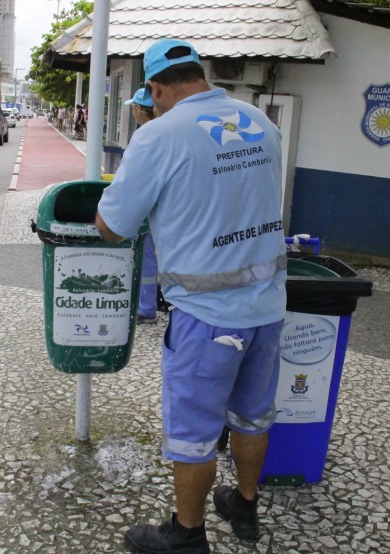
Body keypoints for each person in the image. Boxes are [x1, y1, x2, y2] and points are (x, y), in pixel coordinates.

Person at [96, 39, 287, 553]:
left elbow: (112, 226)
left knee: (194, 433)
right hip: (268, 306)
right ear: (199, 75)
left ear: (156, 88)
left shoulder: (159, 135)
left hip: (207, 316)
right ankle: (244, 507)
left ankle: (186, 534)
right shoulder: (261, 123)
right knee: (253, 414)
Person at [124, 88, 160, 323]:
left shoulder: (146, 136)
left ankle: (146, 308)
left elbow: (132, 179)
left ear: (138, 109)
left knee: (146, 259)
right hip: (165, 210)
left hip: (148, 210)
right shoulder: (168, 131)